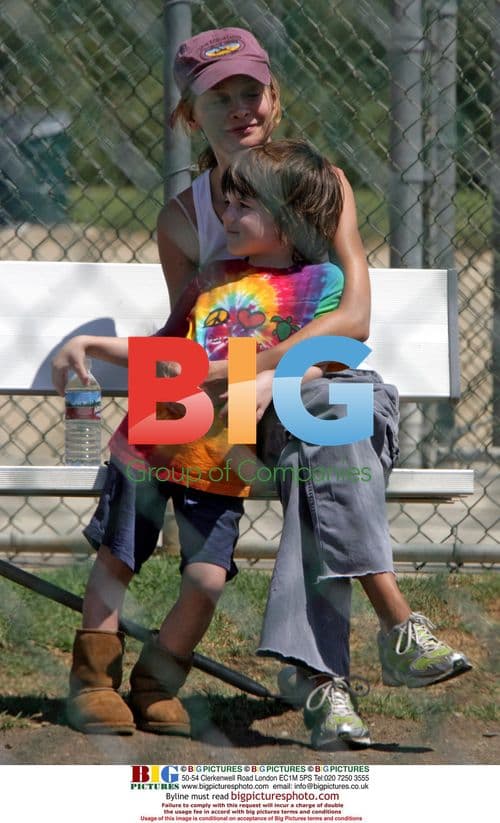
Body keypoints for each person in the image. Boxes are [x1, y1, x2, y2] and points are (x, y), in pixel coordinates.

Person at [52, 26, 372, 737]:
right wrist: (116, 357)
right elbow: (187, 334)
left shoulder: (319, 184)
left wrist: (252, 376)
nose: (240, 109)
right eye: (218, 97)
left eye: (251, 91)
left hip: (270, 405)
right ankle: (95, 676)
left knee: (222, 555)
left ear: (275, 98)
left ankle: (263, 672)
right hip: (186, 414)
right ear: (189, 115)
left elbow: (352, 318)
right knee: (123, 544)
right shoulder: (185, 221)